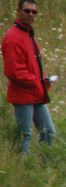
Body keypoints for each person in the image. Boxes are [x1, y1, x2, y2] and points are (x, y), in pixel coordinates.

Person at [2, 0, 55, 155]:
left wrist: (43, 80)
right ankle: (23, 171)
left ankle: (45, 171)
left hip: (37, 93)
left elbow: (31, 66)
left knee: (48, 133)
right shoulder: (13, 37)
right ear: (18, 11)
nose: (31, 14)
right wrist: (36, 81)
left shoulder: (27, 34)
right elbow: (14, 72)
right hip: (23, 96)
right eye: (27, 11)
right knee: (24, 136)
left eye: (34, 12)